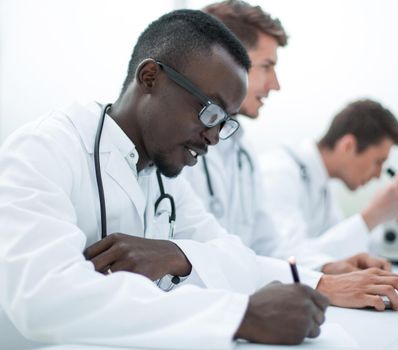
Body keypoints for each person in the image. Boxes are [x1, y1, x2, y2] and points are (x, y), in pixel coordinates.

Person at [0, 10, 330, 348]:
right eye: (210, 113)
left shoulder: (164, 175)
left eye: (224, 122)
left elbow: (236, 256)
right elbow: (42, 300)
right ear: (150, 78)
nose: (214, 137)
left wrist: (178, 254)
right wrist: (240, 316)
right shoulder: (45, 149)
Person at [182, 0, 398, 296]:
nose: (276, 85)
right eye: (267, 66)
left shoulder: (244, 155)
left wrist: (328, 269)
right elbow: (202, 260)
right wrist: (324, 279)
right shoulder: (183, 150)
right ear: (224, 63)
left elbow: (273, 248)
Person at [261, 99, 398, 259]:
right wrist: (372, 215)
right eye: (378, 162)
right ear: (348, 146)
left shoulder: (324, 183)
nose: (378, 175)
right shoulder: (280, 173)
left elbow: (342, 248)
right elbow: (289, 257)